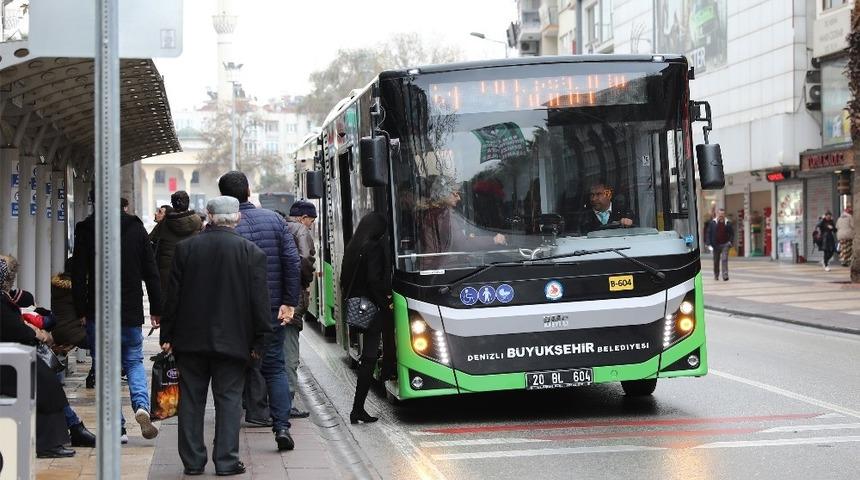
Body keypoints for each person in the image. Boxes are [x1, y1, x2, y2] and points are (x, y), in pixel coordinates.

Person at [158, 196, 272, 476]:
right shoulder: (252, 253)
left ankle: (193, 461)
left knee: (191, 401)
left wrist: (167, 334)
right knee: (229, 401)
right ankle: (226, 461)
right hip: (234, 343)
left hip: (189, 341)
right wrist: (259, 341)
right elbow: (260, 303)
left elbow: (173, 297)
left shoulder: (186, 249)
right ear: (238, 218)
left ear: (208, 216)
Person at [219, 171, 300, 451]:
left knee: (234, 372)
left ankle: (229, 438)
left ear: (223, 197)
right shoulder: (275, 220)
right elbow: (292, 262)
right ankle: (282, 427)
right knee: (275, 368)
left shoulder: (225, 228)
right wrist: (289, 302)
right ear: (248, 191)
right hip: (272, 310)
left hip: (236, 314)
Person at [72, 197, 163, 443]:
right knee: (133, 360)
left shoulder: (86, 229)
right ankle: (141, 406)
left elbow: (78, 273)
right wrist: (157, 308)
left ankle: (118, 428)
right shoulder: (136, 227)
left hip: (98, 309)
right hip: (130, 308)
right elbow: (151, 271)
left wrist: (80, 309)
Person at [0, 257, 95, 457]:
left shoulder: (5, 299)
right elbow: (14, 328)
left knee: (47, 381)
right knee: (46, 383)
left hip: (12, 361)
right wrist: (36, 334)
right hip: (9, 365)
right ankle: (55, 439)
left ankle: (70, 429)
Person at [339, 212, 395, 424]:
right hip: (371, 306)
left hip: (358, 307)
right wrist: (386, 303)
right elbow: (374, 280)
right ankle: (357, 409)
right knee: (370, 358)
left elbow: (345, 280)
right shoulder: (373, 248)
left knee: (367, 357)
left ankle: (358, 409)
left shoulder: (353, 247)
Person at [418, 175, 506, 269]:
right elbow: (461, 244)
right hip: (441, 267)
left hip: (435, 265)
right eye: (455, 194)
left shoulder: (432, 213)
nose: (459, 198)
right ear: (444, 194)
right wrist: (494, 240)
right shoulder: (443, 215)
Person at [283, 199, 318, 419]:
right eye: (311, 221)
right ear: (303, 218)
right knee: (290, 355)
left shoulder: (280, 227)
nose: (311, 225)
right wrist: (305, 282)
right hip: (291, 300)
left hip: (273, 302)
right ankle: (286, 404)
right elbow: (306, 259)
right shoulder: (300, 230)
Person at [149, 190, 203, 298]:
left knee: (168, 303)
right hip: (192, 269)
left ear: (172, 204)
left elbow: (150, 242)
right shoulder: (198, 222)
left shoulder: (164, 223)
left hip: (167, 274)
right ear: (188, 203)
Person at [705, 208, 734, 281]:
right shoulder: (713, 223)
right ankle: (716, 275)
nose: (721, 215)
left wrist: (730, 242)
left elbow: (732, 234)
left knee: (724, 259)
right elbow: (708, 233)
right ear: (717, 214)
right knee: (716, 261)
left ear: (724, 214)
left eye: (722, 214)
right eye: (720, 214)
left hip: (725, 244)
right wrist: (708, 243)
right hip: (716, 245)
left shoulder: (728, 223)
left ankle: (725, 275)